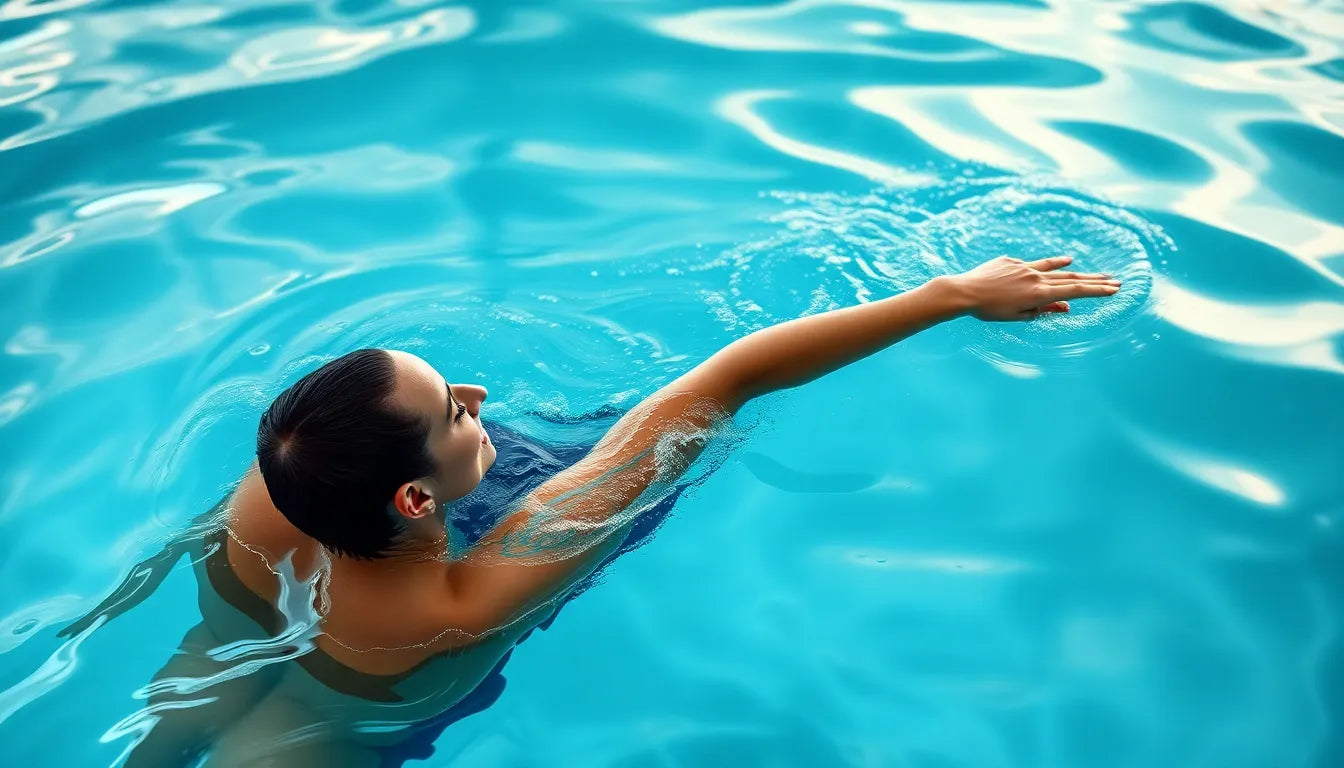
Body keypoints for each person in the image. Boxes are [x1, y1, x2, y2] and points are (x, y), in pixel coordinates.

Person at [69, 255, 1120, 766]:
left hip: (245, 620)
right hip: (367, 691)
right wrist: (949, 297)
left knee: (185, 710)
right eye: (451, 411)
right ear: (412, 496)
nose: (476, 393)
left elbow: (172, 559)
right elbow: (720, 385)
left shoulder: (276, 480)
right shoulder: (465, 602)